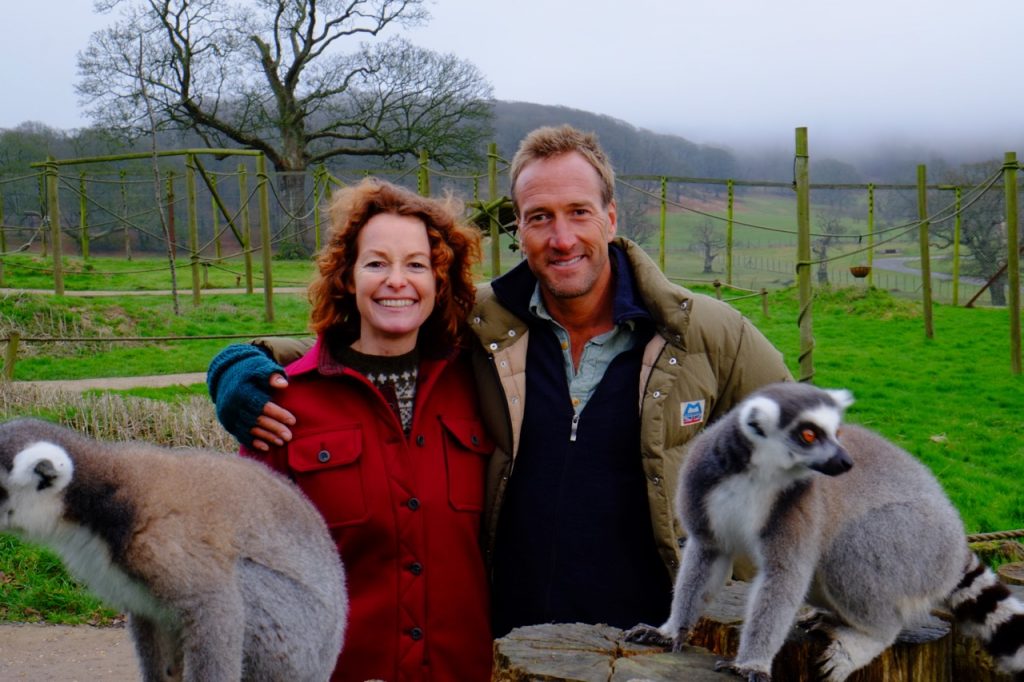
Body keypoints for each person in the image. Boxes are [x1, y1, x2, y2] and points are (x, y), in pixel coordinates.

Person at [208, 125, 791, 640]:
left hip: (661, 647)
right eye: (540, 217)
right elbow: (369, 335)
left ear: (612, 217)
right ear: (519, 228)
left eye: (579, 212)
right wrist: (241, 362)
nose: (561, 238)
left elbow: (811, 442)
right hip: (509, 646)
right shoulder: (485, 324)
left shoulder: (706, 333)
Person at [206, 178, 493, 681]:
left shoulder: (484, 388)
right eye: (377, 263)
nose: (397, 281)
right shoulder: (283, 404)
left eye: (417, 265)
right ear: (347, 276)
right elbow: (246, 574)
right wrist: (228, 364)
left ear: (440, 281)